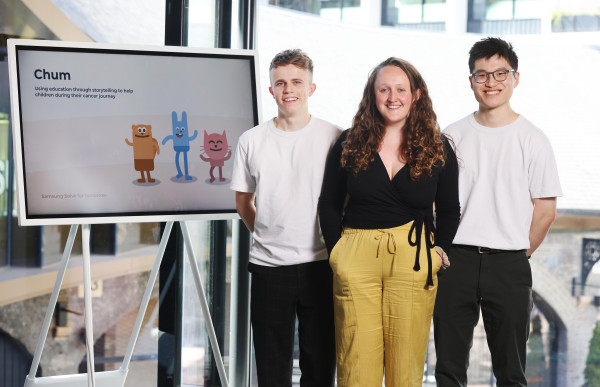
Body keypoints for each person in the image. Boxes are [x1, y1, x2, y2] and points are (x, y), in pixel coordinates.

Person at [319, 57, 460, 387]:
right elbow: (328, 204)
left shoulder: (438, 147)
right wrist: (337, 255)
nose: (392, 97)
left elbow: (450, 209)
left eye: (401, 89)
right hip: (356, 253)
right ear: (373, 94)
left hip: (413, 258)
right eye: (384, 89)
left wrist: (439, 250)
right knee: (356, 363)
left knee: (406, 366)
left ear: (416, 96)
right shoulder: (349, 141)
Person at [433, 37, 562, 387]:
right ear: (470, 81)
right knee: (447, 369)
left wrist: (520, 252)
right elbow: (435, 201)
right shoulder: (451, 135)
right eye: (482, 75)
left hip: (509, 263)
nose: (491, 82)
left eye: (500, 73)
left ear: (515, 78)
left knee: (511, 371)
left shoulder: (533, 139)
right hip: (454, 260)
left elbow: (546, 208)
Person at [230, 49, 340, 387]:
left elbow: (346, 201)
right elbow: (242, 201)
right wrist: (267, 234)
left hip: (321, 264)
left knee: (320, 365)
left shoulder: (334, 137)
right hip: (268, 267)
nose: (288, 89)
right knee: (270, 366)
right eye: (280, 83)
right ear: (271, 90)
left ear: (311, 88)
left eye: (296, 82)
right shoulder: (251, 140)